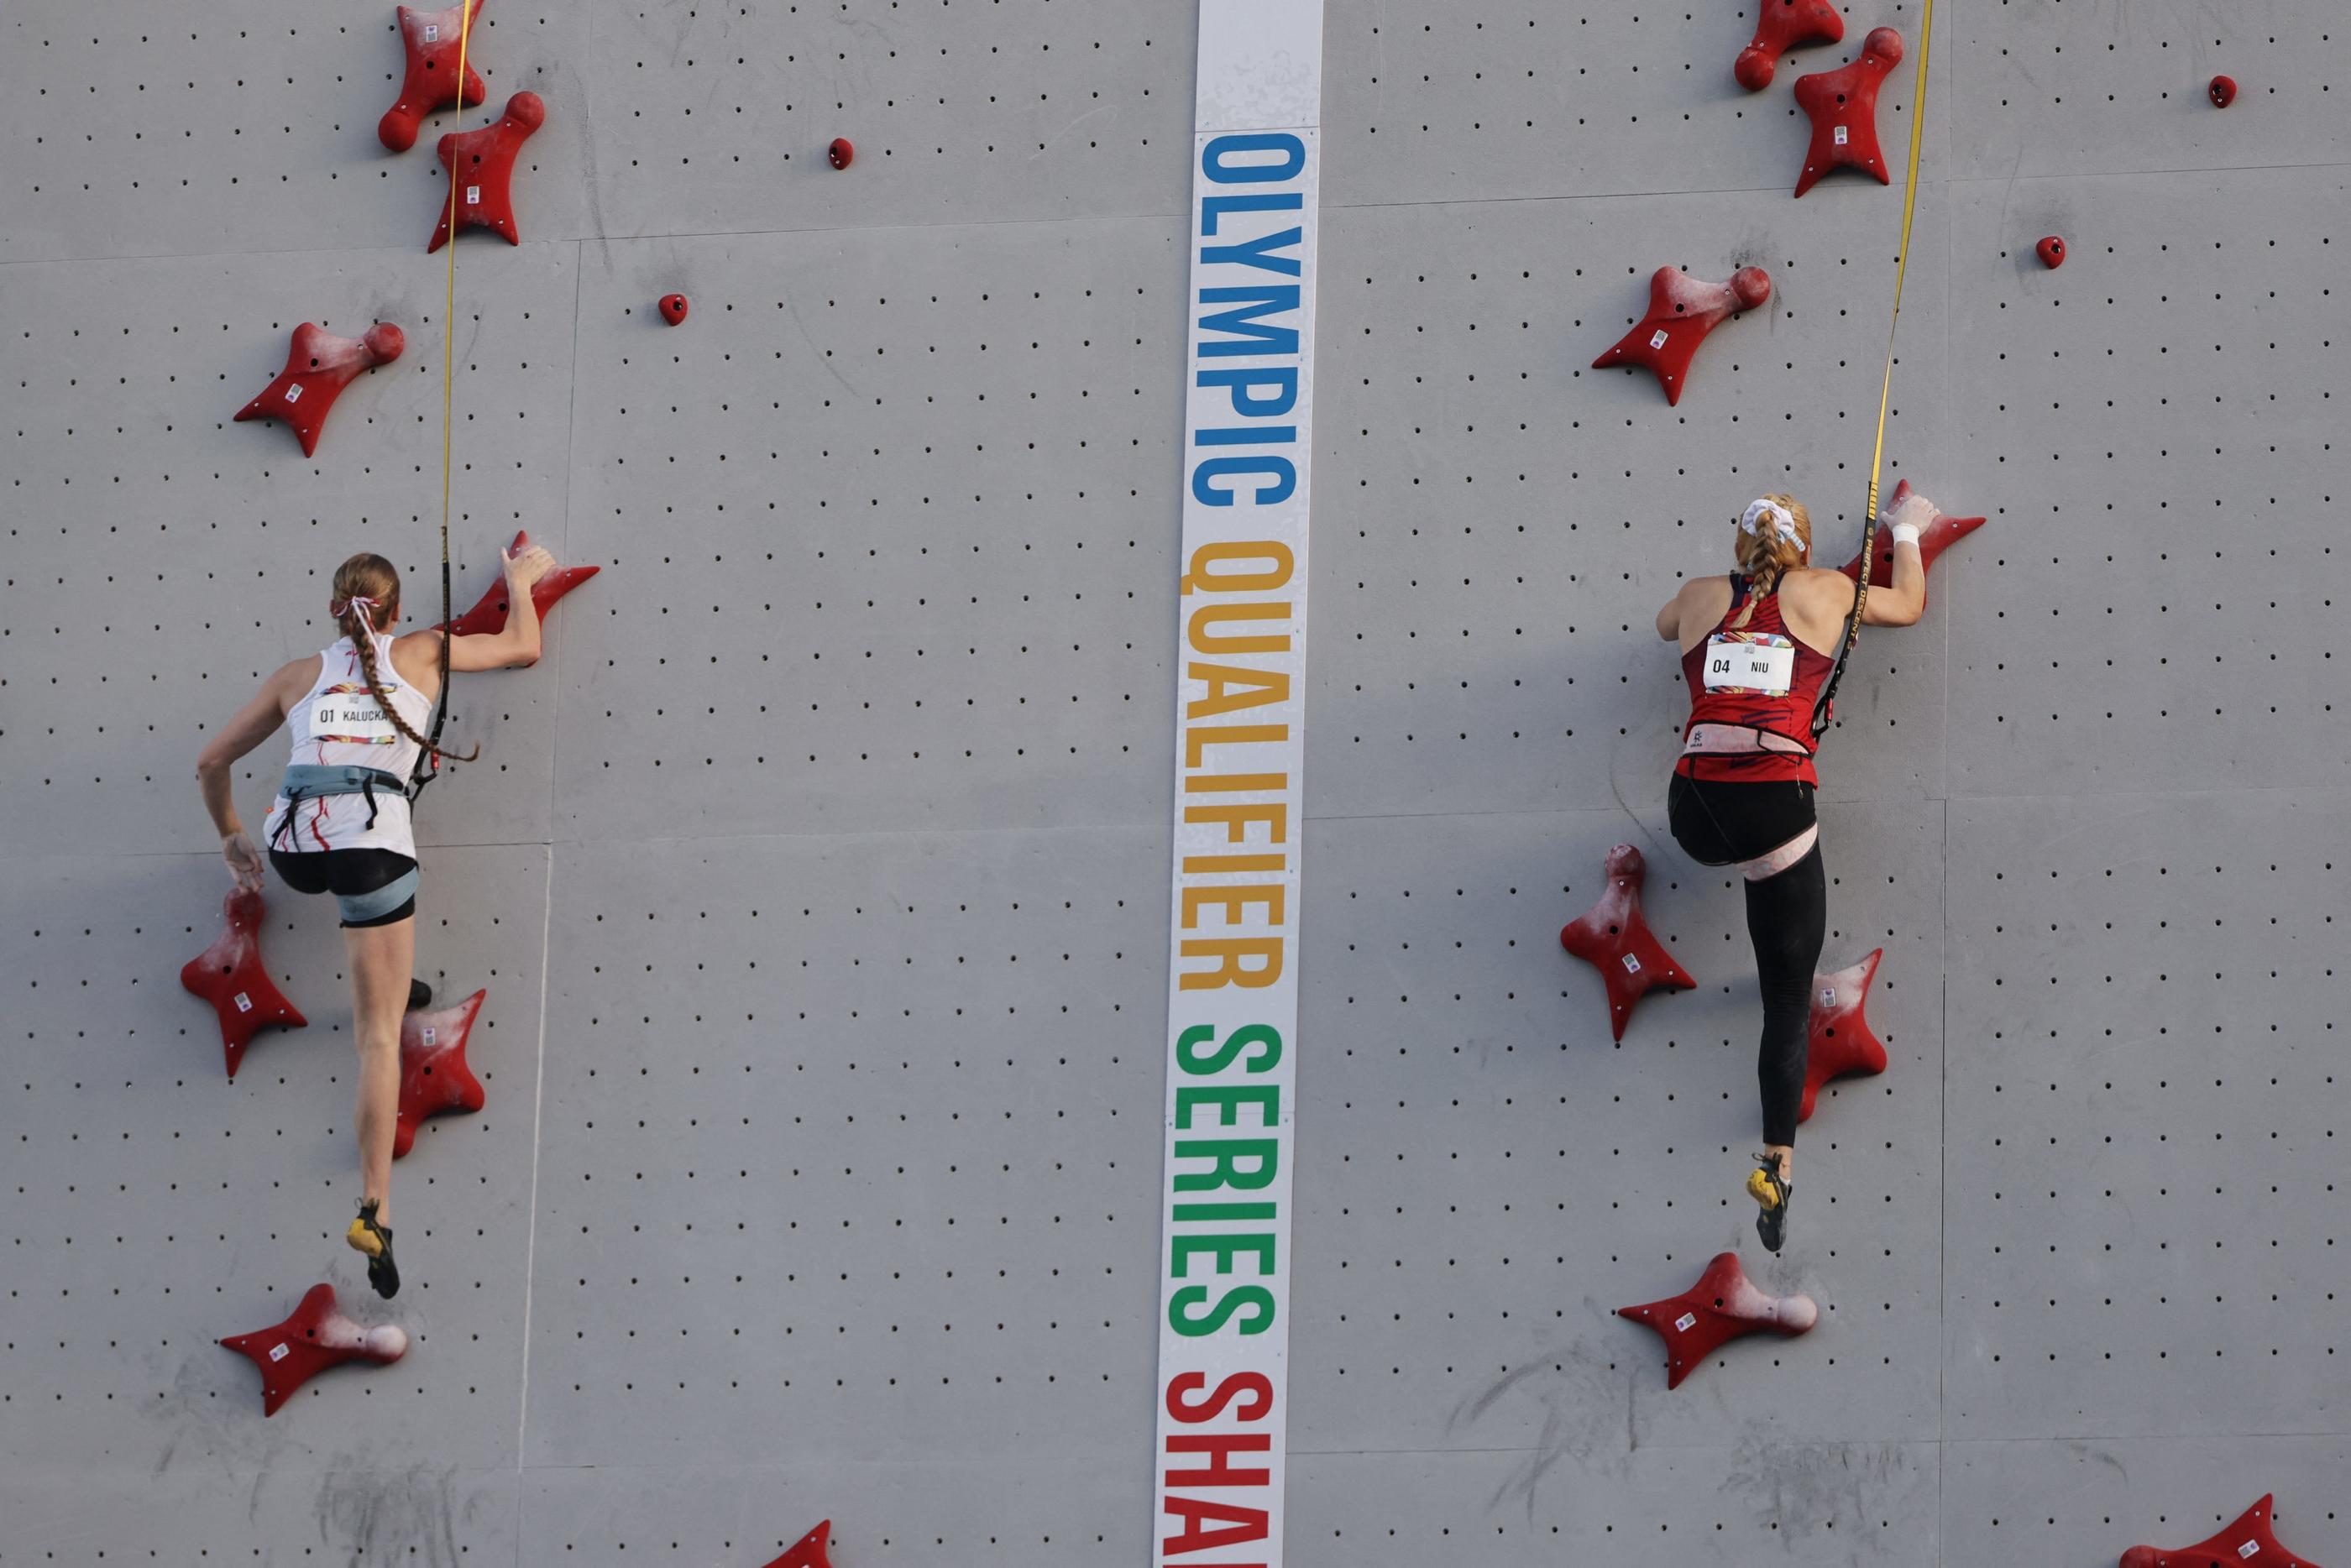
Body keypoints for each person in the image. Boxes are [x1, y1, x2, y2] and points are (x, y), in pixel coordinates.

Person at [195, 545, 554, 1296]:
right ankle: (374, 1209)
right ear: (394, 612)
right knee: (378, 1037)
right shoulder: (424, 650)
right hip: (368, 850)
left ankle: (390, 970)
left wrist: (234, 840)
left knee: (375, 952)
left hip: (295, 848)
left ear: (334, 608)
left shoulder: (298, 674)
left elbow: (210, 762)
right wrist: (519, 583)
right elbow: (524, 645)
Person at [1652, 489, 1936, 1252]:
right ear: (1806, 547)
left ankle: (1755, 882)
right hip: (1773, 801)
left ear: (1739, 544)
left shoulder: (1698, 595)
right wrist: (1903, 530)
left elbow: (1663, 627)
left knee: (1757, 879)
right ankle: (1777, 1161)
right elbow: (1907, 605)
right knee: (1785, 994)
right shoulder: (1828, 591)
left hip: (1692, 810)